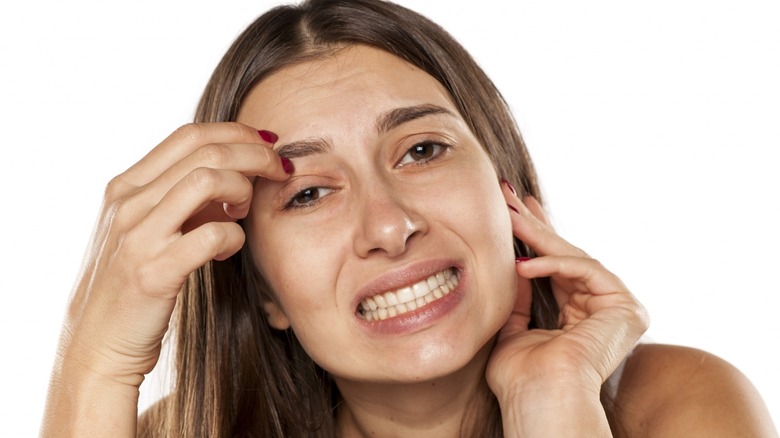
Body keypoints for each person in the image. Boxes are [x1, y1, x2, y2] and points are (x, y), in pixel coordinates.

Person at [41, 0, 777, 436]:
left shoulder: (673, 406)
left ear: (508, 190)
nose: (389, 226)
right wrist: (97, 360)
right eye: (307, 193)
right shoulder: (174, 434)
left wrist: (552, 400)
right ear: (265, 292)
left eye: (421, 149)